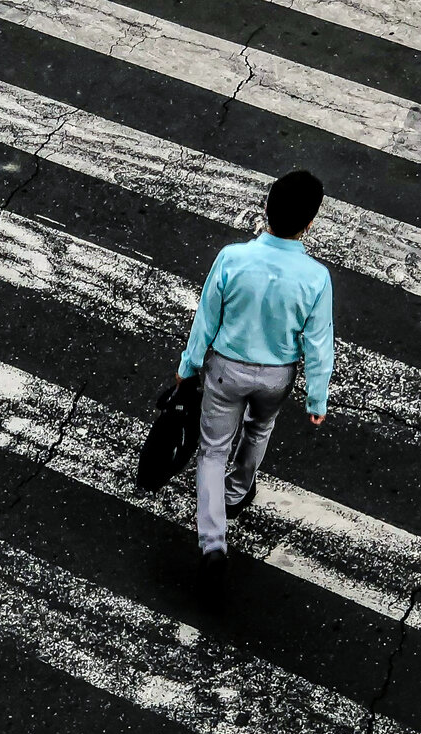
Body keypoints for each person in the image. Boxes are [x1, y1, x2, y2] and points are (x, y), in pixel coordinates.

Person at [175, 170, 334, 571]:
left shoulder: (232, 258)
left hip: (226, 370)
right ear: (309, 223)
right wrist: (317, 397)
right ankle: (238, 490)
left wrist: (188, 366)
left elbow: (206, 319)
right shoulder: (316, 278)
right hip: (277, 376)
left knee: (212, 449)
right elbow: (318, 344)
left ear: (266, 209)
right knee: (258, 429)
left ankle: (212, 541)